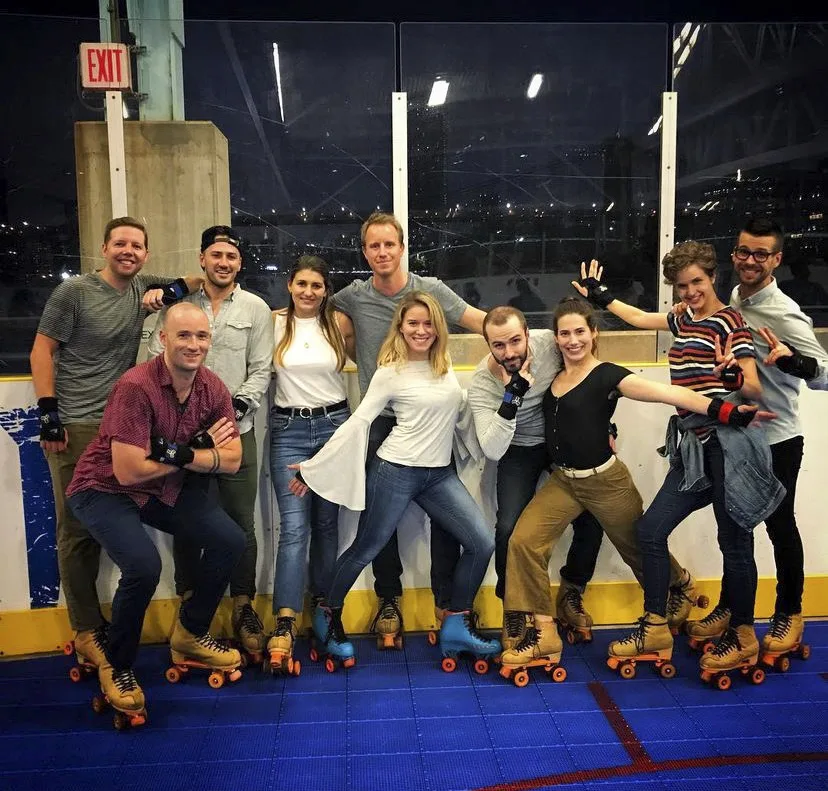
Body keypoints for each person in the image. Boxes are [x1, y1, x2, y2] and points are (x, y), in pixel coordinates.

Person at [499, 296, 774, 682]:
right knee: (522, 542)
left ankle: (679, 585)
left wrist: (723, 410)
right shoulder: (552, 375)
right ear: (555, 338)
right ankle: (544, 633)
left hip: (605, 481)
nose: (572, 340)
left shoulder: (609, 374)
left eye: (580, 331)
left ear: (593, 334)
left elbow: (669, 394)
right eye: (565, 333)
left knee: (640, 547)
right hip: (563, 481)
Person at [574, 243, 784, 680]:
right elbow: (637, 318)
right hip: (692, 448)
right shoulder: (682, 318)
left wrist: (732, 375)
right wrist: (600, 296)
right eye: (682, 285)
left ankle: (743, 636)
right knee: (650, 531)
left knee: (735, 542)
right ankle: (654, 625)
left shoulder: (731, 322)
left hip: (729, 445)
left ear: (712, 278)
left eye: (697, 283)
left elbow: (754, 388)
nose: (690, 292)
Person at [288, 292, 499, 669]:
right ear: (400, 327)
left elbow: (458, 412)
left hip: (438, 474)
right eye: (413, 323)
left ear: (438, 327)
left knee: (481, 542)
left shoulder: (443, 363)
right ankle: (327, 616)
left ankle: (456, 622)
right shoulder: (390, 370)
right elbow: (359, 423)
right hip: (395, 470)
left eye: (428, 323)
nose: (421, 330)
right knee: (366, 548)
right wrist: (315, 467)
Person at [30, 216, 200, 677]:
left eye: (137, 246)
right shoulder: (75, 293)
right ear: (104, 248)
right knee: (77, 530)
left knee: (121, 524)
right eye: (120, 243)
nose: (129, 251)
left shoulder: (139, 289)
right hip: (81, 422)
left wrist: (169, 294)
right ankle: (86, 628)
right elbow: (41, 350)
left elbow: (193, 279)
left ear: (145, 254)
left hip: (126, 424)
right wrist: (49, 412)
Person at [65, 303, 247, 722]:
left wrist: (177, 453)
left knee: (230, 540)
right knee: (144, 566)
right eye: (183, 335)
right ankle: (118, 664)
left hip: (160, 488)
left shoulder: (212, 387)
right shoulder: (136, 386)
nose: (194, 344)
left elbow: (233, 459)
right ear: (163, 339)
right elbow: (128, 470)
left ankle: (190, 632)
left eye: (201, 337)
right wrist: (197, 452)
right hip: (103, 488)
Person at [330, 211, 486, 646]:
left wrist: (523, 343)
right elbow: (308, 311)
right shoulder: (354, 296)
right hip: (383, 424)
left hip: (432, 424)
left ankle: (446, 605)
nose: (382, 252)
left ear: (402, 248)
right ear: (365, 252)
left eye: (389, 244)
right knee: (379, 529)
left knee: (450, 526)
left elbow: (478, 320)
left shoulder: (429, 291)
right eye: (374, 245)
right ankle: (388, 601)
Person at [147, 226, 273, 663]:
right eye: (216, 254)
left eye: (232, 256)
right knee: (186, 520)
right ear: (202, 259)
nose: (224, 262)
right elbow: (151, 351)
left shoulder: (256, 308)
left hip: (237, 431)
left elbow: (261, 370)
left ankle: (243, 606)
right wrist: (168, 296)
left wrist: (230, 416)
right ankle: (189, 603)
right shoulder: (180, 308)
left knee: (241, 521)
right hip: (180, 438)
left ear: (240, 263)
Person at [468, 305, 605, 648]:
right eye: (499, 346)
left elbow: (586, 374)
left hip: (564, 439)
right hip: (518, 449)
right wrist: (512, 395)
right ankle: (513, 606)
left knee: (594, 514)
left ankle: (572, 591)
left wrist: (604, 426)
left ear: (529, 333)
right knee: (508, 527)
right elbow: (493, 450)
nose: (510, 352)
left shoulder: (550, 344)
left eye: (515, 341)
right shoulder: (482, 383)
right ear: (487, 345)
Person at [727, 218, 828, 665]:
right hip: (737, 433)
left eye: (761, 254)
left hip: (778, 439)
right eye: (744, 252)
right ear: (734, 254)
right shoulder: (732, 298)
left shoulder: (784, 312)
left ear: (777, 260)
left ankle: (789, 611)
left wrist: (794, 363)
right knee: (733, 526)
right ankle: (734, 609)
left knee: (779, 526)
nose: (751, 261)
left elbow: (825, 373)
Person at [266, 255, 354, 675]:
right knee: (295, 528)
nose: (308, 292)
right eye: (301, 283)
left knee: (326, 526)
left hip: (335, 427)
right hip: (289, 430)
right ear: (290, 284)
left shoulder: (339, 324)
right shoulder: (273, 323)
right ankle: (284, 621)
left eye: (316, 285)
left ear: (326, 290)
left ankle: (324, 611)